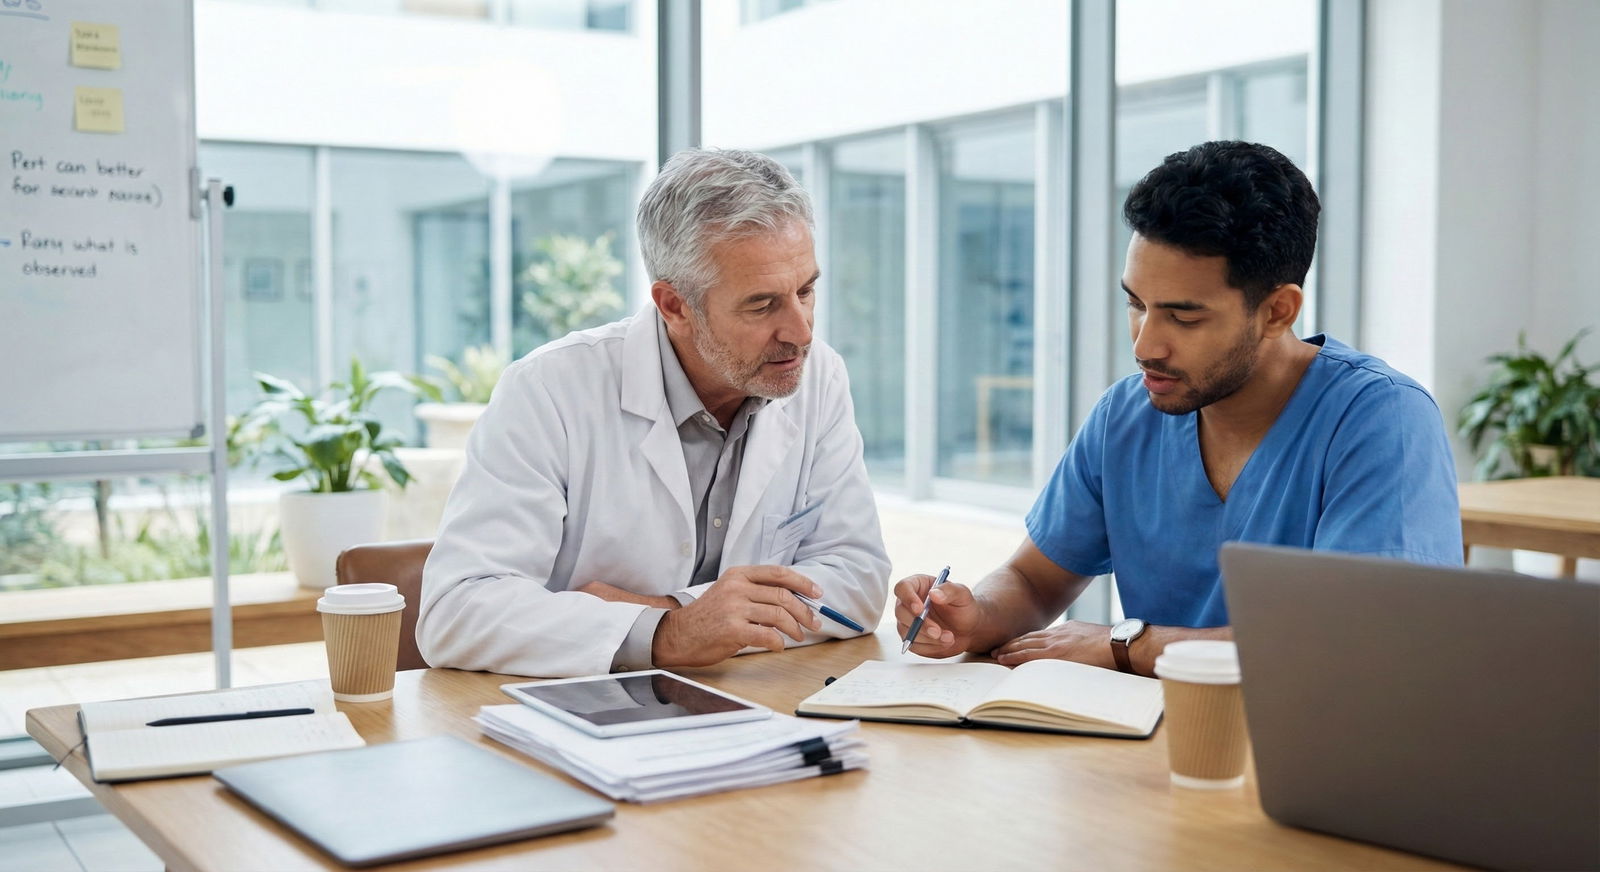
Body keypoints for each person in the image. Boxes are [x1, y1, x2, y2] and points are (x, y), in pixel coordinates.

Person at [896, 141, 1462, 677]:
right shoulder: (1125, 414)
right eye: (1136, 304)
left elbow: (1362, 639)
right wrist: (973, 616)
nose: (1145, 344)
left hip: (1308, 737)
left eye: (1184, 318)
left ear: (1277, 312)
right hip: (1144, 734)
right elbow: (1033, 580)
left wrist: (1129, 644)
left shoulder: (1382, 419)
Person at [418, 148, 889, 678]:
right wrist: (670, 635)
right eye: (762, 305)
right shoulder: (548, 390)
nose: (800, 331)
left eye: (805, 291)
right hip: (584, 709)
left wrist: (668, 614)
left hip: (751, 697)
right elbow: (456, 611)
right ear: (674, 306)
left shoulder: (818, 376)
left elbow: (857, 579)